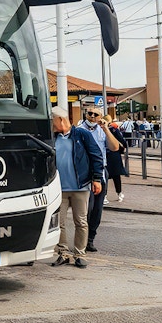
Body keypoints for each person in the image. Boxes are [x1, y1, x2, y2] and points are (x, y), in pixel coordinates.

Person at [49, 106, 104, 269]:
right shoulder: (53, 137)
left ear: (60, 120)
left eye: (52, 121)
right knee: (59, 222)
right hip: (60, 188)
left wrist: (97, 179)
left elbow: (96, 156)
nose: (51, 125)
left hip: (80, 187)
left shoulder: (82, 134)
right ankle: (63, 253)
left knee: (81, 221)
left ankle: (80, 254)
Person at [78, 107, 119, 253]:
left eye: (96, 114)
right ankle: (81, 240)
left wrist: (106, 129)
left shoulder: (102, 130)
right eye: (90, 113)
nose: (92, 116)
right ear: (85, 114)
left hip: (101, 172)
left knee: (97, 209)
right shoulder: (79, 130)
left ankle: (90, 240)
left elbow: (115, 147)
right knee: (86, 209)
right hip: (85, 173)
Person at [106, 121, 128, 202]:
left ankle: (104, 196)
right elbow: (123, 142)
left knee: (104, 177)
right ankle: (119, 193)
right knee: (116, 176)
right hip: (114, 155)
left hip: (105, 155)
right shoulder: (114, 130)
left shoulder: (99, 130)